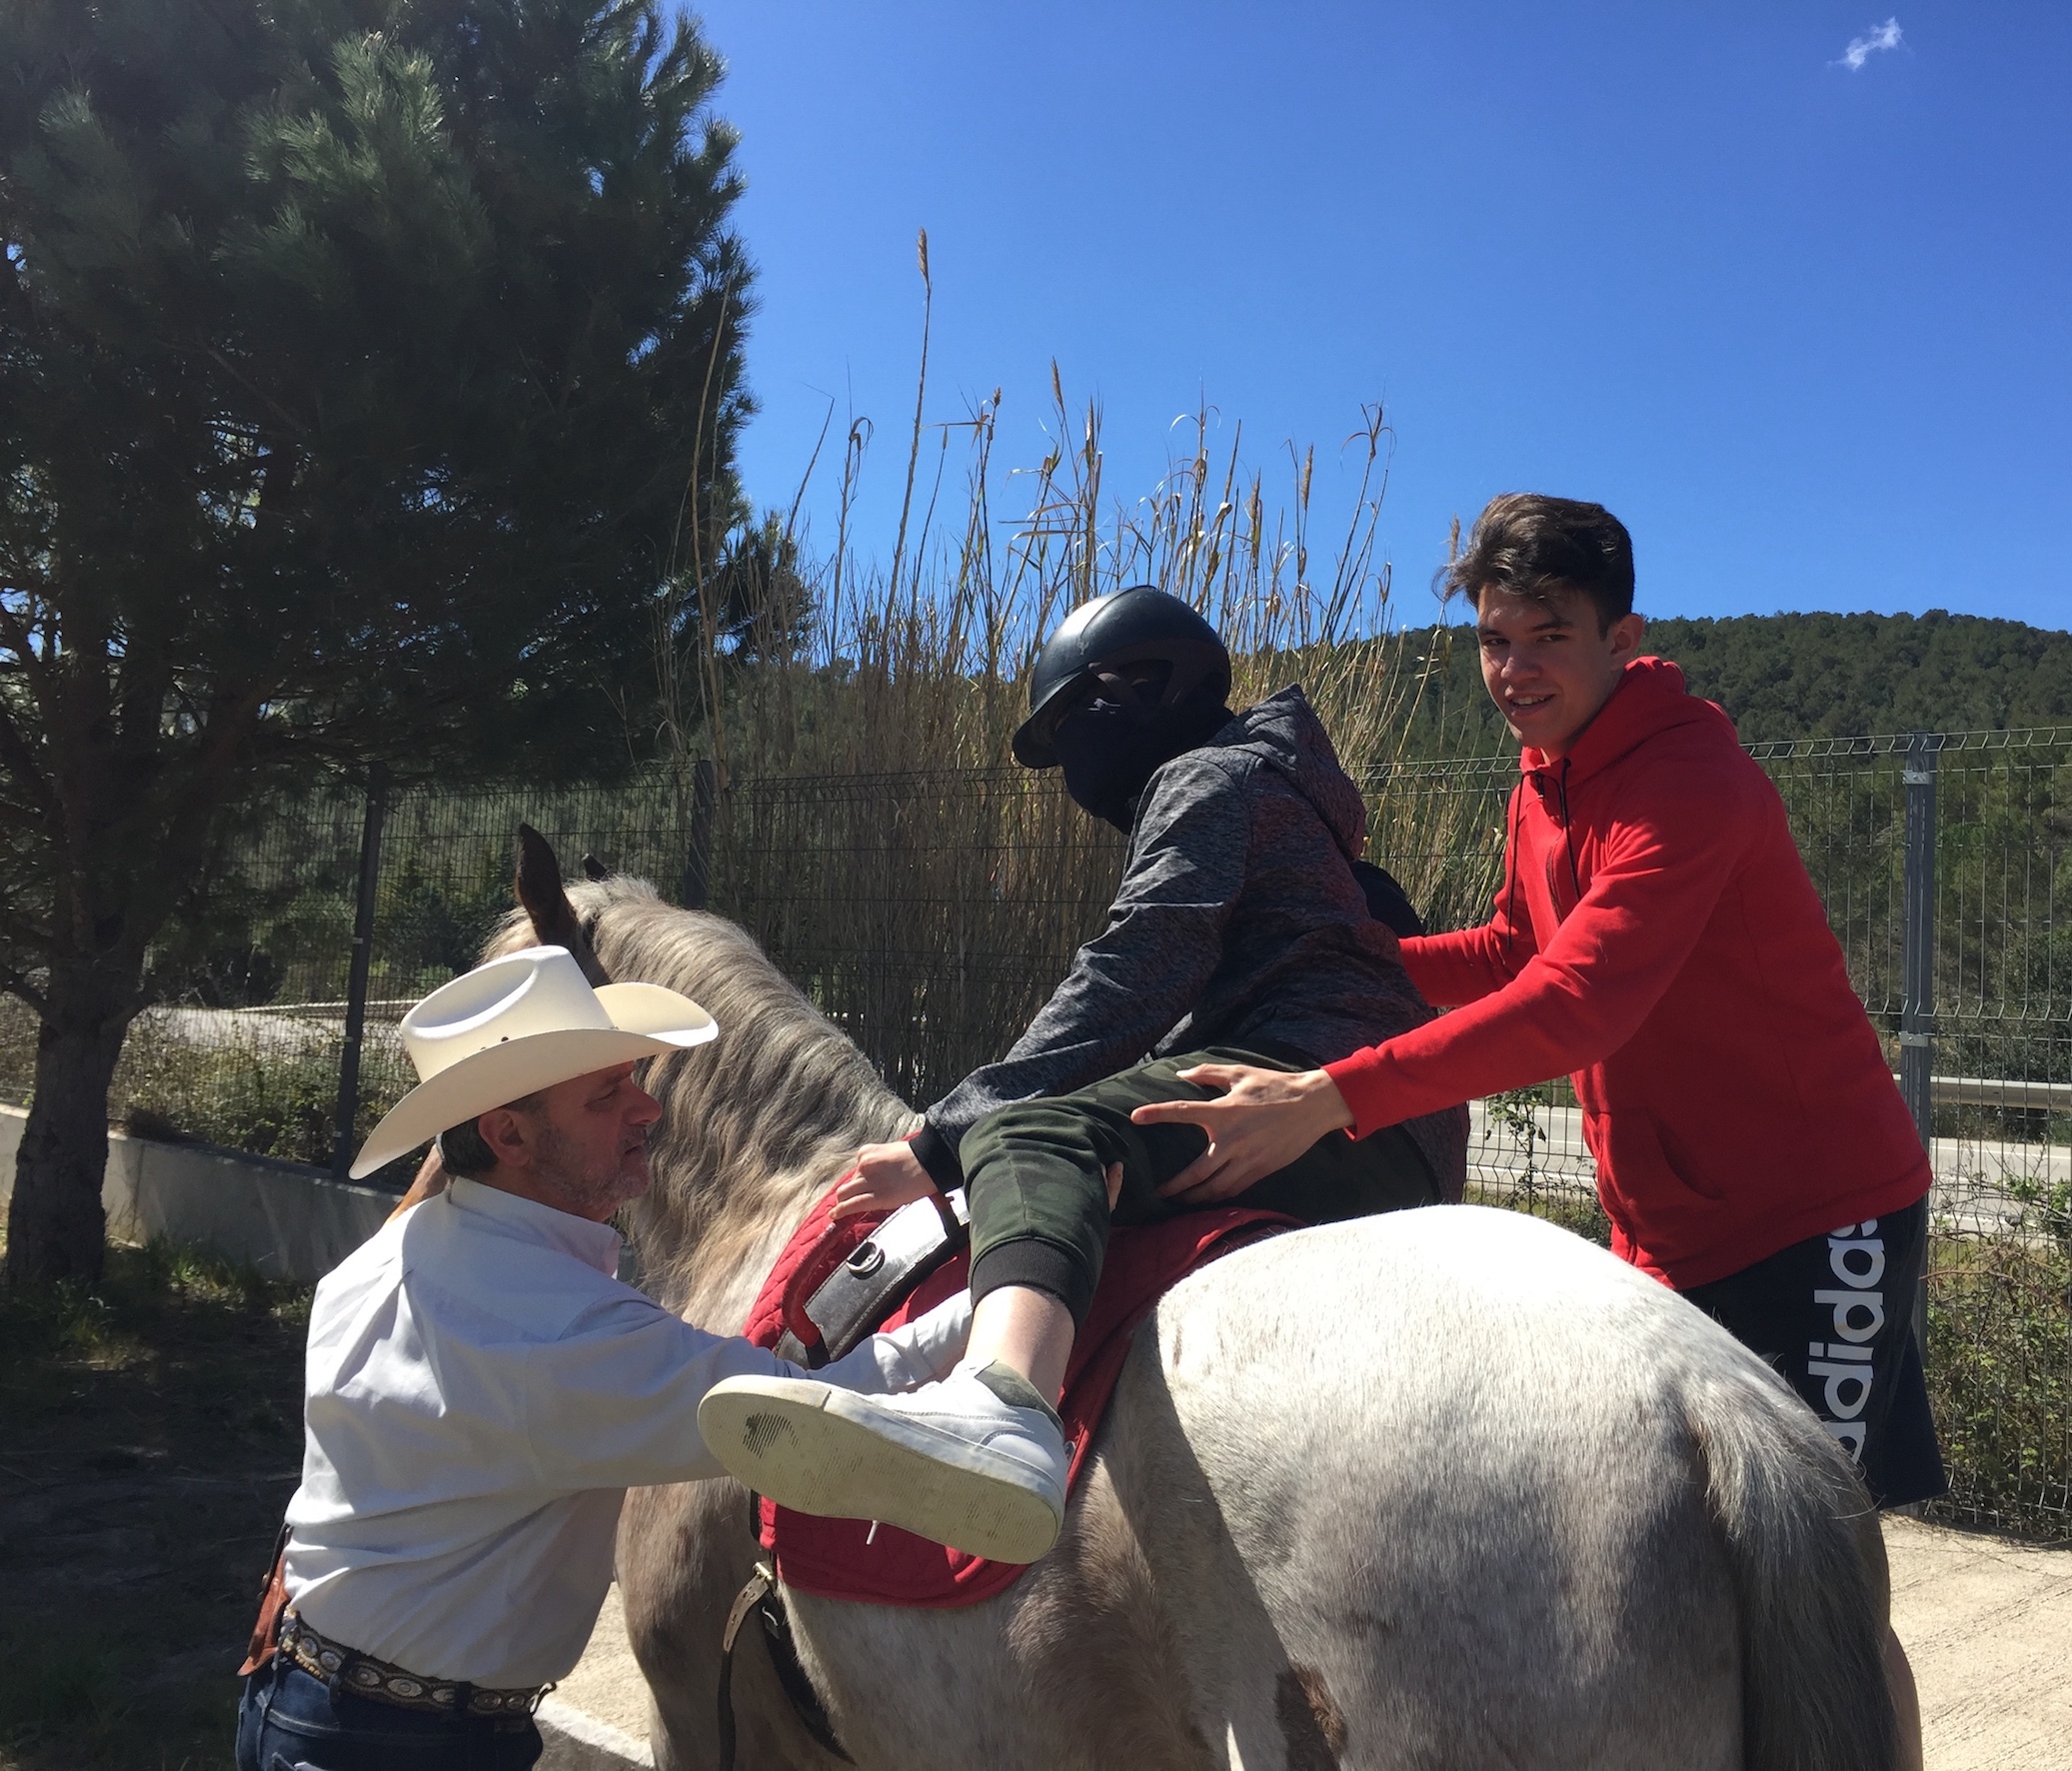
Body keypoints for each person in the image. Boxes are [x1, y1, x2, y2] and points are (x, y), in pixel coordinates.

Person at [1098, 494, 1939, 1764]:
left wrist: (1332, 1090)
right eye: (1494, 638)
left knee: (1824, 1587)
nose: (1514, 669)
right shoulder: (1544, 777)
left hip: (1822, 1221)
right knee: (1713, 1576)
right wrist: (1344, 957)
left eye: (1548, 635)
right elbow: (1509, 947)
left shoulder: (1690, 779)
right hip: (1668, 1228)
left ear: (1622, 637)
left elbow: (1578, 999)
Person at [698, 585, 1466, 1566]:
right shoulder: (1299, 806)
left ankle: (1000, 1410)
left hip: (1293, 1089)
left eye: (1070, 734)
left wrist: (942, 1140)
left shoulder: (1207, 779)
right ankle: (935, 1362)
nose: (1072, 769)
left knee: (1031, 1138)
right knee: (1081, 1175)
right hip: (1397, 1135)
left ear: (1137, 689)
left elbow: (1131, 974)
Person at [236, 945, 971, 1771]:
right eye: (605, 1094)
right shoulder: (557, 1330)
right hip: (408, 1745)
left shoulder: (393, 1254)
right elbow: (807, 1410)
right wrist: (1006, 1298)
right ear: (508, 1133)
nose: (648, 1108)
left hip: (306, 1699)